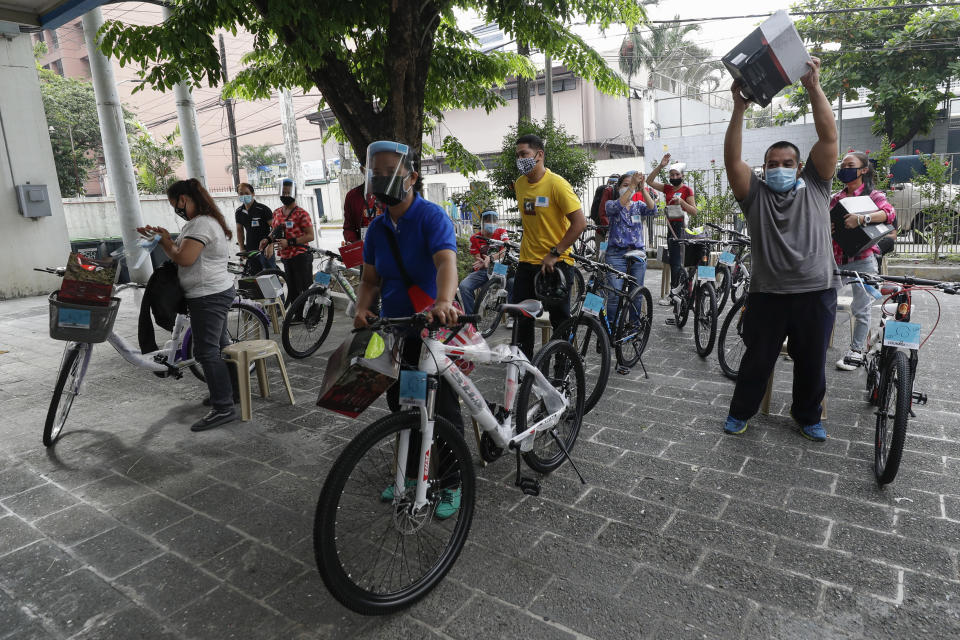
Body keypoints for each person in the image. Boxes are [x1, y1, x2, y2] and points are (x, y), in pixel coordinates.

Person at [721, 57, 838, 442]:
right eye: (773, 164)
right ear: (764, 167)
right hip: (768, 295)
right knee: (757, 360)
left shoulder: (818, 184)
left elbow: (828, 139)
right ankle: (741, 413)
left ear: (800, 165)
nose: (780, 168)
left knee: (811, 363)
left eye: (787, 163)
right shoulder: (754, 194)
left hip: (816, 292)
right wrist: (739, 108)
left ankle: (807, 416)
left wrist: (813, 86)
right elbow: (732, 160)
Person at [352, 140, 463, 518]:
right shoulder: (377, 230)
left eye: (390, 174)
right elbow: (370, 280)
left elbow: (447, 262)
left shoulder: (431, 217)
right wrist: (363, 308)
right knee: (403, 404)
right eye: (376, 174)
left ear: (412, 177)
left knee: (441, 406)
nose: (382, 181)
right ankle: (413, 475)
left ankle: (450, 480)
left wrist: (444, 301)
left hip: (433, 327)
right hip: (395, 330)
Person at [137, 179, 238, 432]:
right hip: (212, 291)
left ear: (185, 198)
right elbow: (183, 249)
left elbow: (184, 257)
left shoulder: (202, 223)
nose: (177, 210)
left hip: (208, 294)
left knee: (206, 352)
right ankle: (231, 394)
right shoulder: (201, 222)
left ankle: (224, 407)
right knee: (221, 345)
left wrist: (164, 242)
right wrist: (163, 237)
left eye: (176, 204)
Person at [512, 133, 587, 358]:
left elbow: (580, 223)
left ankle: (560, 373)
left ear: (539, 155)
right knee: (521, 319)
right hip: (526, 263)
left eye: (524, 154)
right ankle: (523, 368)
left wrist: (555, 253)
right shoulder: (519, 184)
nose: (520, 159)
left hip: (556, 264)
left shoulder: (557, 184)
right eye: (517, 155)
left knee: (560, 321)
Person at [831, 151, 897, 371]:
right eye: (843, 165)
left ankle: (856, 351)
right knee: (821, 302)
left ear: (863, 170)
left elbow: (889, 213)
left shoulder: (873, 196)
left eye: (850, 165)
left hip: (863, 259)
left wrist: (862, 218)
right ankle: (813, 343)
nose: (844, 169)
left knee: (862, 307)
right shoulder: (836, 198)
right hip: (836, 259)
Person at [604, 171, 657, 321]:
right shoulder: (611, 204)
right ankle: (612, 329)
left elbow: (653, 210)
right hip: (616, 255)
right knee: (615, 294)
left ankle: (634, 327)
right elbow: (615, 208)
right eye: (625, 185)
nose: (630, 188)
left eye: (631, 185)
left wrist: (642, 188)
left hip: (637, 253)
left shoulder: (638, 205)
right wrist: (632, 185)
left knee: (636, 294)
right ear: (618, 187)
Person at [646, 154, 698, 305]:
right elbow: (649, 181)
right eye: (672, 174)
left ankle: (677, 295)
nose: (674, 177)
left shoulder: (687, 190)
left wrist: (681, 201)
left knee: (679, 262)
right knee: (674, 262)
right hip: (670, 227)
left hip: (681, 227)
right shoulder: (667, 187)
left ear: (682, 175)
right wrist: (661, 166)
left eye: (677, 174)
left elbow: (694, 211)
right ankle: (676, 294)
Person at [261, 179, 314, 305]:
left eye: (287, 193)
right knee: (292, 288)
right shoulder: (277, 212)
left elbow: (310, 236)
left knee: (305, 287)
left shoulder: (302, 214)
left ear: (294, 193)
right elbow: (275, 230)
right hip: (286, 256)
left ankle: (309, 316)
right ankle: (296, 315)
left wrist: (289, 242)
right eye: (282, 192)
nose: (285, 196)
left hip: (301, 256)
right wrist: (268, 240)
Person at [458, 210, 511, 314]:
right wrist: (483, 262)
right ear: (482, 222)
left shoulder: (501, 232)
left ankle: (510, 315)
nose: (491, 223)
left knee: (510, 283)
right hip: (484, 269)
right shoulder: (475, 238)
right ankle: (471, 318)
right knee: (464, 286)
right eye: (488, 220)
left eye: (494, 221)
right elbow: (478, 259)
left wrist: (491, 258)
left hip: (500, 268)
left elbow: (506, 248)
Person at [233, 183, 275, 274]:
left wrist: (270, 245)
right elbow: (239, 231)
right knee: (254, 277)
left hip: (265, 249)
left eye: (247, 193)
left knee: (270, 277)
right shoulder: (239, 212)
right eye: (241, 193)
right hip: (250, 250)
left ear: (253, 194)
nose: (244, 196)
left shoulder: (263, 209)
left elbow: (274, 228)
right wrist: (242, 248)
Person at [342, 166, 384, 242]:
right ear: (362, 169)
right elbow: (349, 228)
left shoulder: (389, 194)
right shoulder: (352, 196)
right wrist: (353, 244)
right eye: (371, 167)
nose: (375, 172)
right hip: (362, 249)